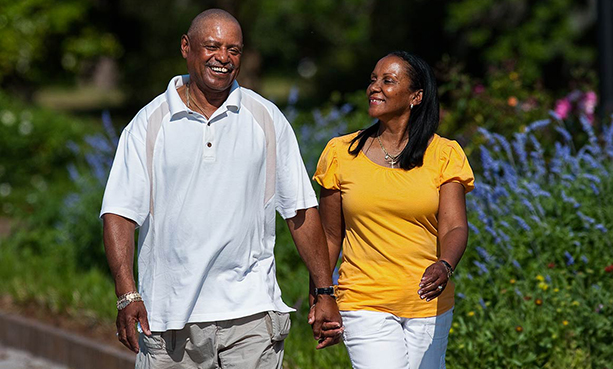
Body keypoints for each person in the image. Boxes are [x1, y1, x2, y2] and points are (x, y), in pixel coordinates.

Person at [100, 9, 341, 368]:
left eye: (234, 49)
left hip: (252, 314)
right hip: (169, 318)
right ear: (186, 47)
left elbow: (300, 211)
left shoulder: (266, 118)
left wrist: (324, 291)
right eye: (212, 46)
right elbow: (119, 213)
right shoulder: (149, 124)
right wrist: (126, 293)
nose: (223, 58)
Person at [312, 51, 474, 369]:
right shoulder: (340, 154)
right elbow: (329, 236)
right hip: (363, 299)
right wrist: (321, 295)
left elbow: (454, 226)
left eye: (388, 81)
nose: (375, 87)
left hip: (429, 303)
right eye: (373, 79)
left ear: (416, 96)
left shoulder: (444, 154)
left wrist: (445, 265)